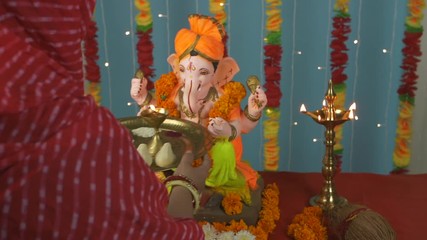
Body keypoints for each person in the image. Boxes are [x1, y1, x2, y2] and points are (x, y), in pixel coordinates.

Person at [0, 0, 210, 239]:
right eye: (185, 70)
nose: (192, 78)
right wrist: (185, 186)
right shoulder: (79, 143)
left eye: (203, 72)